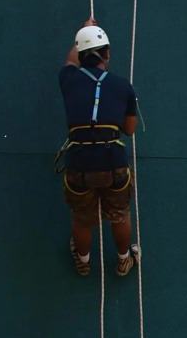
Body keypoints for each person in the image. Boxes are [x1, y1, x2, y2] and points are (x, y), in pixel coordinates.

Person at [57, 20, 139, 277]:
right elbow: (129, 129)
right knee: (120, 214)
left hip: (80, 163)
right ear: (107, 54)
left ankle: (83, 261)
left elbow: (71, 60)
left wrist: (82, 30)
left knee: (82, 217)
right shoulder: (124, 86)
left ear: (81, 55)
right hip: (113, 161)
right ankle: (124, 259)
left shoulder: (68, 79)